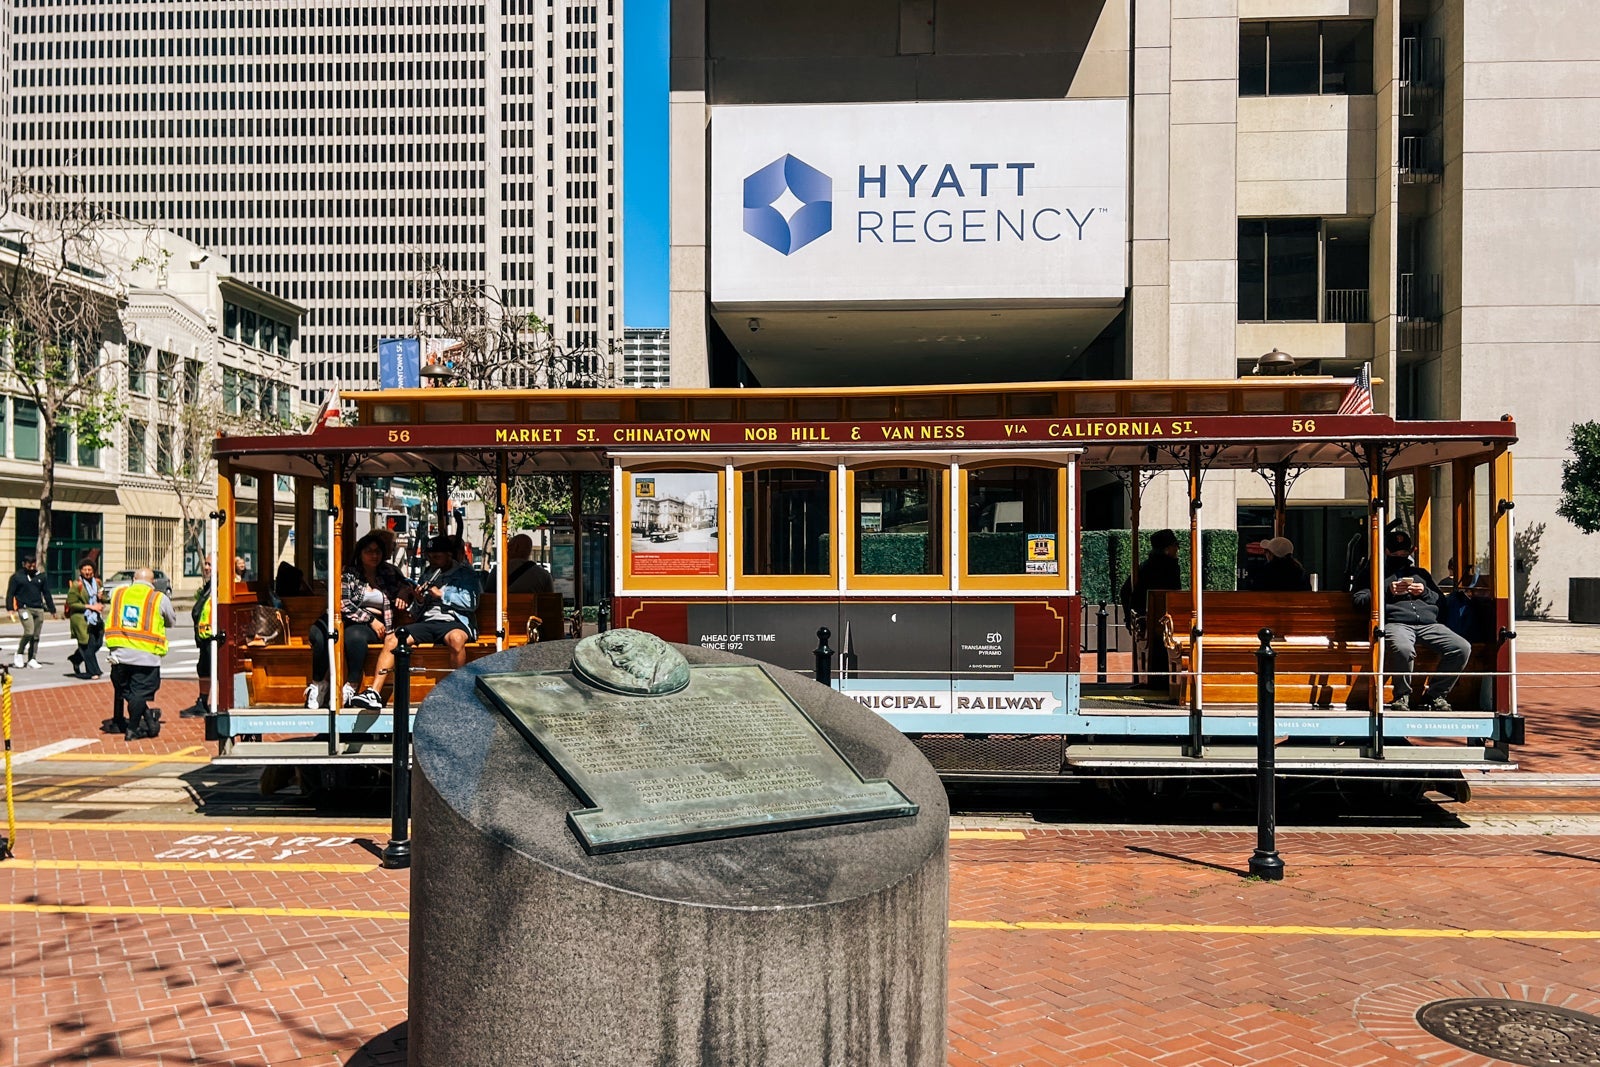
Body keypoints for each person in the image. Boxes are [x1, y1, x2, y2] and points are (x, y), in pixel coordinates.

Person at [349, 535, 478, 710]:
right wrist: (417, 600)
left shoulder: (465, 574)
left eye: (437, 556)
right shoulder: (428, 573)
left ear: (449, 555)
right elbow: (417, 612)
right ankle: (374, 693)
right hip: (428, 622)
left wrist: (441, 595)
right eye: (430, 557)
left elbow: (471, 603)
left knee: (456, 639)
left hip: (454, 621)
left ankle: (461, 692)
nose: (433, 560)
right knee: (393, 639)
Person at [1352, 528, 1471, 712]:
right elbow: (1358, 600)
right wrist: (1386, 591)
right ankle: (1402, 696)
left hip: (1429, 624)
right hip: (1396, 623)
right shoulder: (1373, 573)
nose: (1401, 556)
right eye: (1397, 553)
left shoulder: (1421, 573)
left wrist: (1424, 592)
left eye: (1405, 553)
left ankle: (1436, 694)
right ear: (1387, 552)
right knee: (1403, 648)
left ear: (1411, 551)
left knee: (1461, 647)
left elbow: (1440, 601)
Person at [306, 529, 414, 709]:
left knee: (353, 637)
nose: (373, 555)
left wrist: (404, 591)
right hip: (355, 619)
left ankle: (351, 686)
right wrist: (370, 618)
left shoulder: (389, 573)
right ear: (360, 553)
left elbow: (407, 585)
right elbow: (344, 603)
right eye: (368, 551)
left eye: (377, 551)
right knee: (318, 634)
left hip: (367, 627)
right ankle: (318, 685)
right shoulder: (349, 574)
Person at [103, 568, 177, 741]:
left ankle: (148, 719)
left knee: (127, 690)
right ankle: (133, 729)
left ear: (133, 579)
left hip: (119, 654)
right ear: (153, 583)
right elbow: (171, 621)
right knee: (139, 693)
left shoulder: (118, 593)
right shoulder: (159, 598)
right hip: (146, 656)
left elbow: (106, 596)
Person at [1124, 529, 1183, 685]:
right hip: (1166, 621)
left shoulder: (1145, 567)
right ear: (1166, 549)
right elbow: (1175, 595)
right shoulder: (1170, 568)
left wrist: (1131, 616)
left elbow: (1125, 591)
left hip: (1146, 619)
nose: (1177, 549)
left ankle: (1154, 680)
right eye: (1175, 545)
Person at [7, 553, 56, 669]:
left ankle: (32, 658)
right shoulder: (17, 577)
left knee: (36, 636)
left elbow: (46, 593)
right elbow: (10, 593)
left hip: (38, 608)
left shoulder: (41, 577)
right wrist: (10, 609)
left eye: (34, 564)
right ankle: (19, 653)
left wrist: (52, 609)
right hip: (24, 608)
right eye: (29, 564)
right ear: (24, 564)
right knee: (29, 631)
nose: (32, 566)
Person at [182, 557, 216, 717]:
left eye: (210, 564)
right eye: (206, 564)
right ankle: (202, 702)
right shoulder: (209, 586)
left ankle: (221, 705)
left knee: (216, 671)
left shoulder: (222, 586)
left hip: (214, 638)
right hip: (205, 638)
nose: (206, 567)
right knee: (203, 670)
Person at [65, 558, 107, 679]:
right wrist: (90, 606)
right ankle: (93, 671)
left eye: (90, 569)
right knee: (87, 645)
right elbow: (71, 603)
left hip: (95, 618)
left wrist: (101, 597)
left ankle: (76, 658)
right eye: (85, 569)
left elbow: (104, 598)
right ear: (81, 571)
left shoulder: (98, 583)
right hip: (81, 619)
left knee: (97, 643)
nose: (87, 572)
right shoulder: (76, 585)